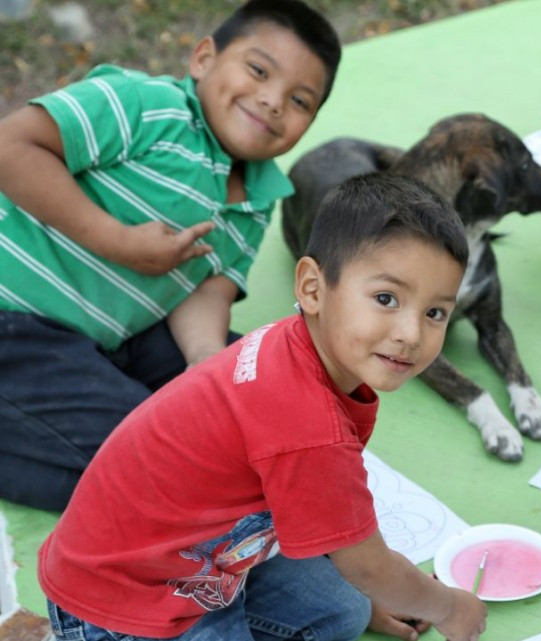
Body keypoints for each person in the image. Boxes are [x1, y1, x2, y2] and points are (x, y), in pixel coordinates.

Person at [38, 173, 487, 641]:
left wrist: (381, 586)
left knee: (343, 611)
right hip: (121, 601)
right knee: (361, 586)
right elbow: (368, 566)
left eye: (435, 312)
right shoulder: (308, 423)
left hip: (186, 556)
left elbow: (351, 553)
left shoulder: (297, 346)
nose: (412, 334)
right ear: (313, 288)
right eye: (386, 299)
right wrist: (448, 607)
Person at [0, 0, 340, 511]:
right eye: (257, 70)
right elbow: (11, 147)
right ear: (203, 58)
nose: (272, 101)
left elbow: (205, 286)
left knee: (265, 377)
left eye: (299, 100)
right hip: (17, 320)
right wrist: (118, 241)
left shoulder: (261, 196)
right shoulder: (147, 104)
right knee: (153, 459)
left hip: (120, 332)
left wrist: (205, 361)